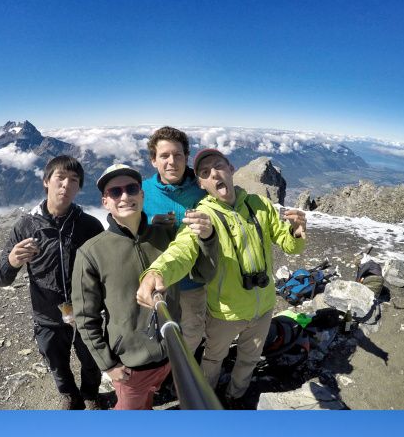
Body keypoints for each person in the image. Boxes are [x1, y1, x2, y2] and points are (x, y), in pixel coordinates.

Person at [138, 147, 307, 405]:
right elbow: (183, 250)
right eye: (205, 172)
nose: (214, 173)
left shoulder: (258, 204)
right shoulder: (204, 215)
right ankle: (207, 399)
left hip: (263, 307)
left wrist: (295, 232)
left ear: (231, 169)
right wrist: (158, 271)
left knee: (249, 358)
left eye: (218, 166)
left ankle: (235, 396)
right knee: (213, 358)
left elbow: (286, 242)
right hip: (225, 313)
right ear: (202, 184)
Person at [71, 163, 218, 411]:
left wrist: (208, 239)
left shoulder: (167, 235)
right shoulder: (91, 253)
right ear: (105, 201)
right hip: (131, 364)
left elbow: (204, 272)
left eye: (131, 188)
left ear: (142, 194)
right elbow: (86, 316)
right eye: (115, 192)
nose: (125, 196)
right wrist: (108, 365)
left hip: (171, 350)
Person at [0, 155, 104, 409]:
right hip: (47, 314)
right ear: (46, 182)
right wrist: (11, 261)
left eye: (73, 180)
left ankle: (90, 394)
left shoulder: (90, 226)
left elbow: (104, 269)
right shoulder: (25, 227)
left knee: (91, 357)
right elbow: (0, 278)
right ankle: (69, 395)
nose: (66, 184)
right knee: (55, 358)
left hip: (85, 310)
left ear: (79, 188)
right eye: (60, 178)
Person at [142, 127, 207, 354]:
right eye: (164, 156)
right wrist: (149, 222)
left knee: (192, 329)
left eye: (178, 155)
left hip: (194, 280)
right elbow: (123, 223)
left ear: (186, 157)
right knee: (162, 325)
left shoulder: (202, 189)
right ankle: (164, 365)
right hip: (161, 278)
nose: (172, 162)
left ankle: (182, 365)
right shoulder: (142, 191)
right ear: (153, 160)